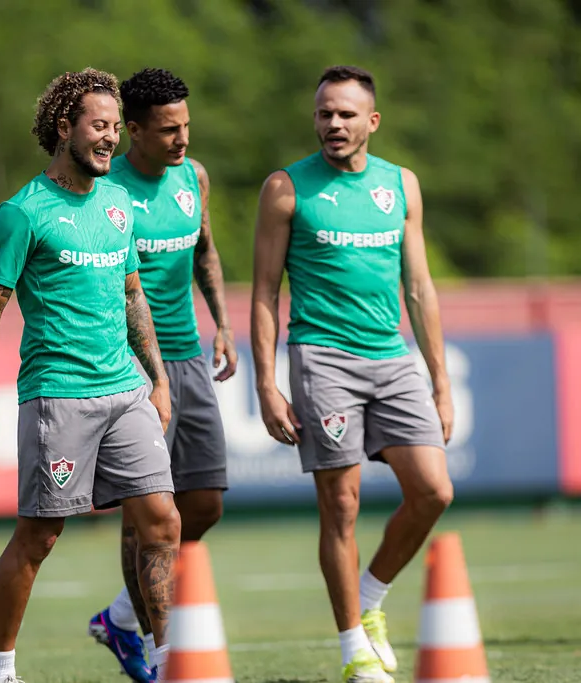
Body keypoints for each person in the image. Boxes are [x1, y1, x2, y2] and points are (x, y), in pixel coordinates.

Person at [0, 68, 181, 683]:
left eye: (116, 128)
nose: (112, 138)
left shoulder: (118, 203)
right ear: (65, 127)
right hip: (58, 396)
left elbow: (133, 294)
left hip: (126, 391)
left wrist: (157, 378)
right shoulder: (22, 212)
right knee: (38, 537)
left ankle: (169, 662)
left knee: (163, 521)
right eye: (99, 126)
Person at [250, 65, 455, 683]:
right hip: (323, 358)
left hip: (391, 358)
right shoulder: (286, 188)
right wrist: (266, 383)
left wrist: (441, 383)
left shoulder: (401, 185)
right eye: (324, 114)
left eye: (345, 114)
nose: (333, 124)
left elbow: (419, 288)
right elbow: (264, 292)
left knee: (434, 492)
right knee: (341, 504)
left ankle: (369, 598)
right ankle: (352, 649)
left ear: (373, 121)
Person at [85, 68, 236, 683]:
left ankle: (120, 617)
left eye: (186, 126)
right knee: (145, 515)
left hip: (190, 357)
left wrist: (222, 323)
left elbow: (205, 251)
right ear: (135, 131)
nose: (182, 139)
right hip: (129, 367)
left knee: (205, 503)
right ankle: (154, 645)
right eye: (169, 130)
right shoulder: (105, 189)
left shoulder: (193, 177)